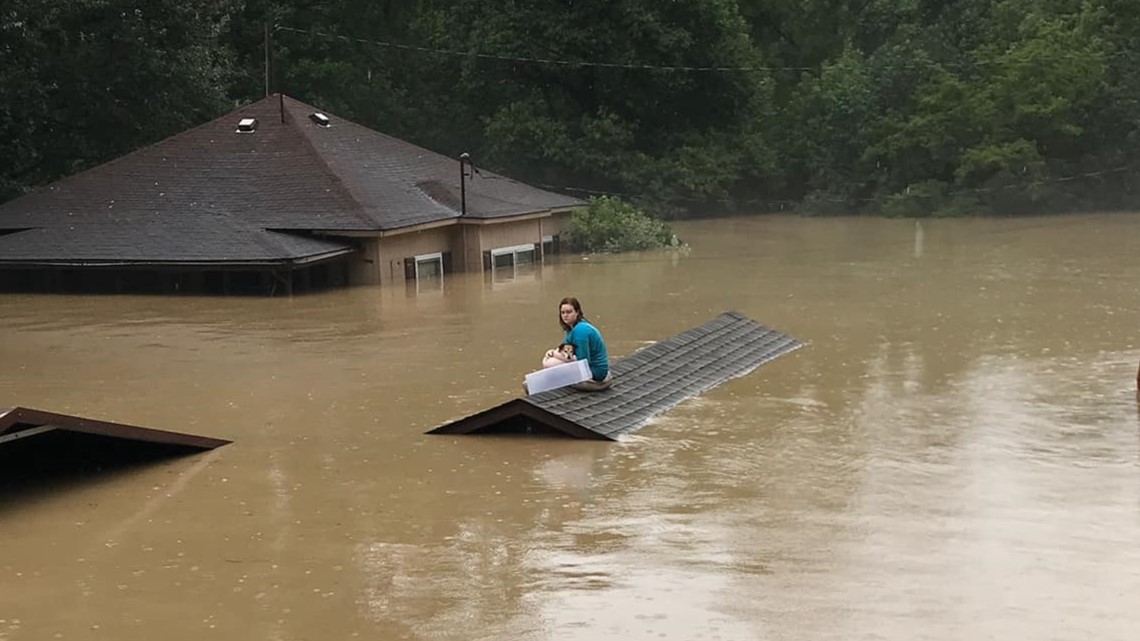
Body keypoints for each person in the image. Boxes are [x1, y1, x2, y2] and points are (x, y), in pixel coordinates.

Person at [558, 297, 612, 391]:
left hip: (596, 372)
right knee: (551, 361)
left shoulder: (580, 330)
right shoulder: (571, 329)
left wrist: (556, 355)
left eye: (569, 312)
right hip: (590, 367)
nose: (565, 315)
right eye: (563, 313)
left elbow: (583, 361)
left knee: (552, 363)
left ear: (577, 312)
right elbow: (567, 351)